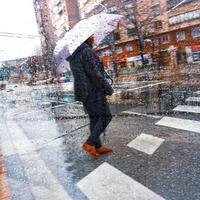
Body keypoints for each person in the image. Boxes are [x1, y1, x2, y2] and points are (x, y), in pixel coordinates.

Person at [67, 35, 114, 157]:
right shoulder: (85, 51)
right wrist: (107, 88)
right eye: (91, 36)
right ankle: (89, 143)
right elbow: (94, 74)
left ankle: (97, 147)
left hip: (84, 91)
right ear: (86, 38)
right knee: (106, 116)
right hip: (92, 90)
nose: (94, 38)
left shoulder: (75, 53)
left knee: (95, 118)